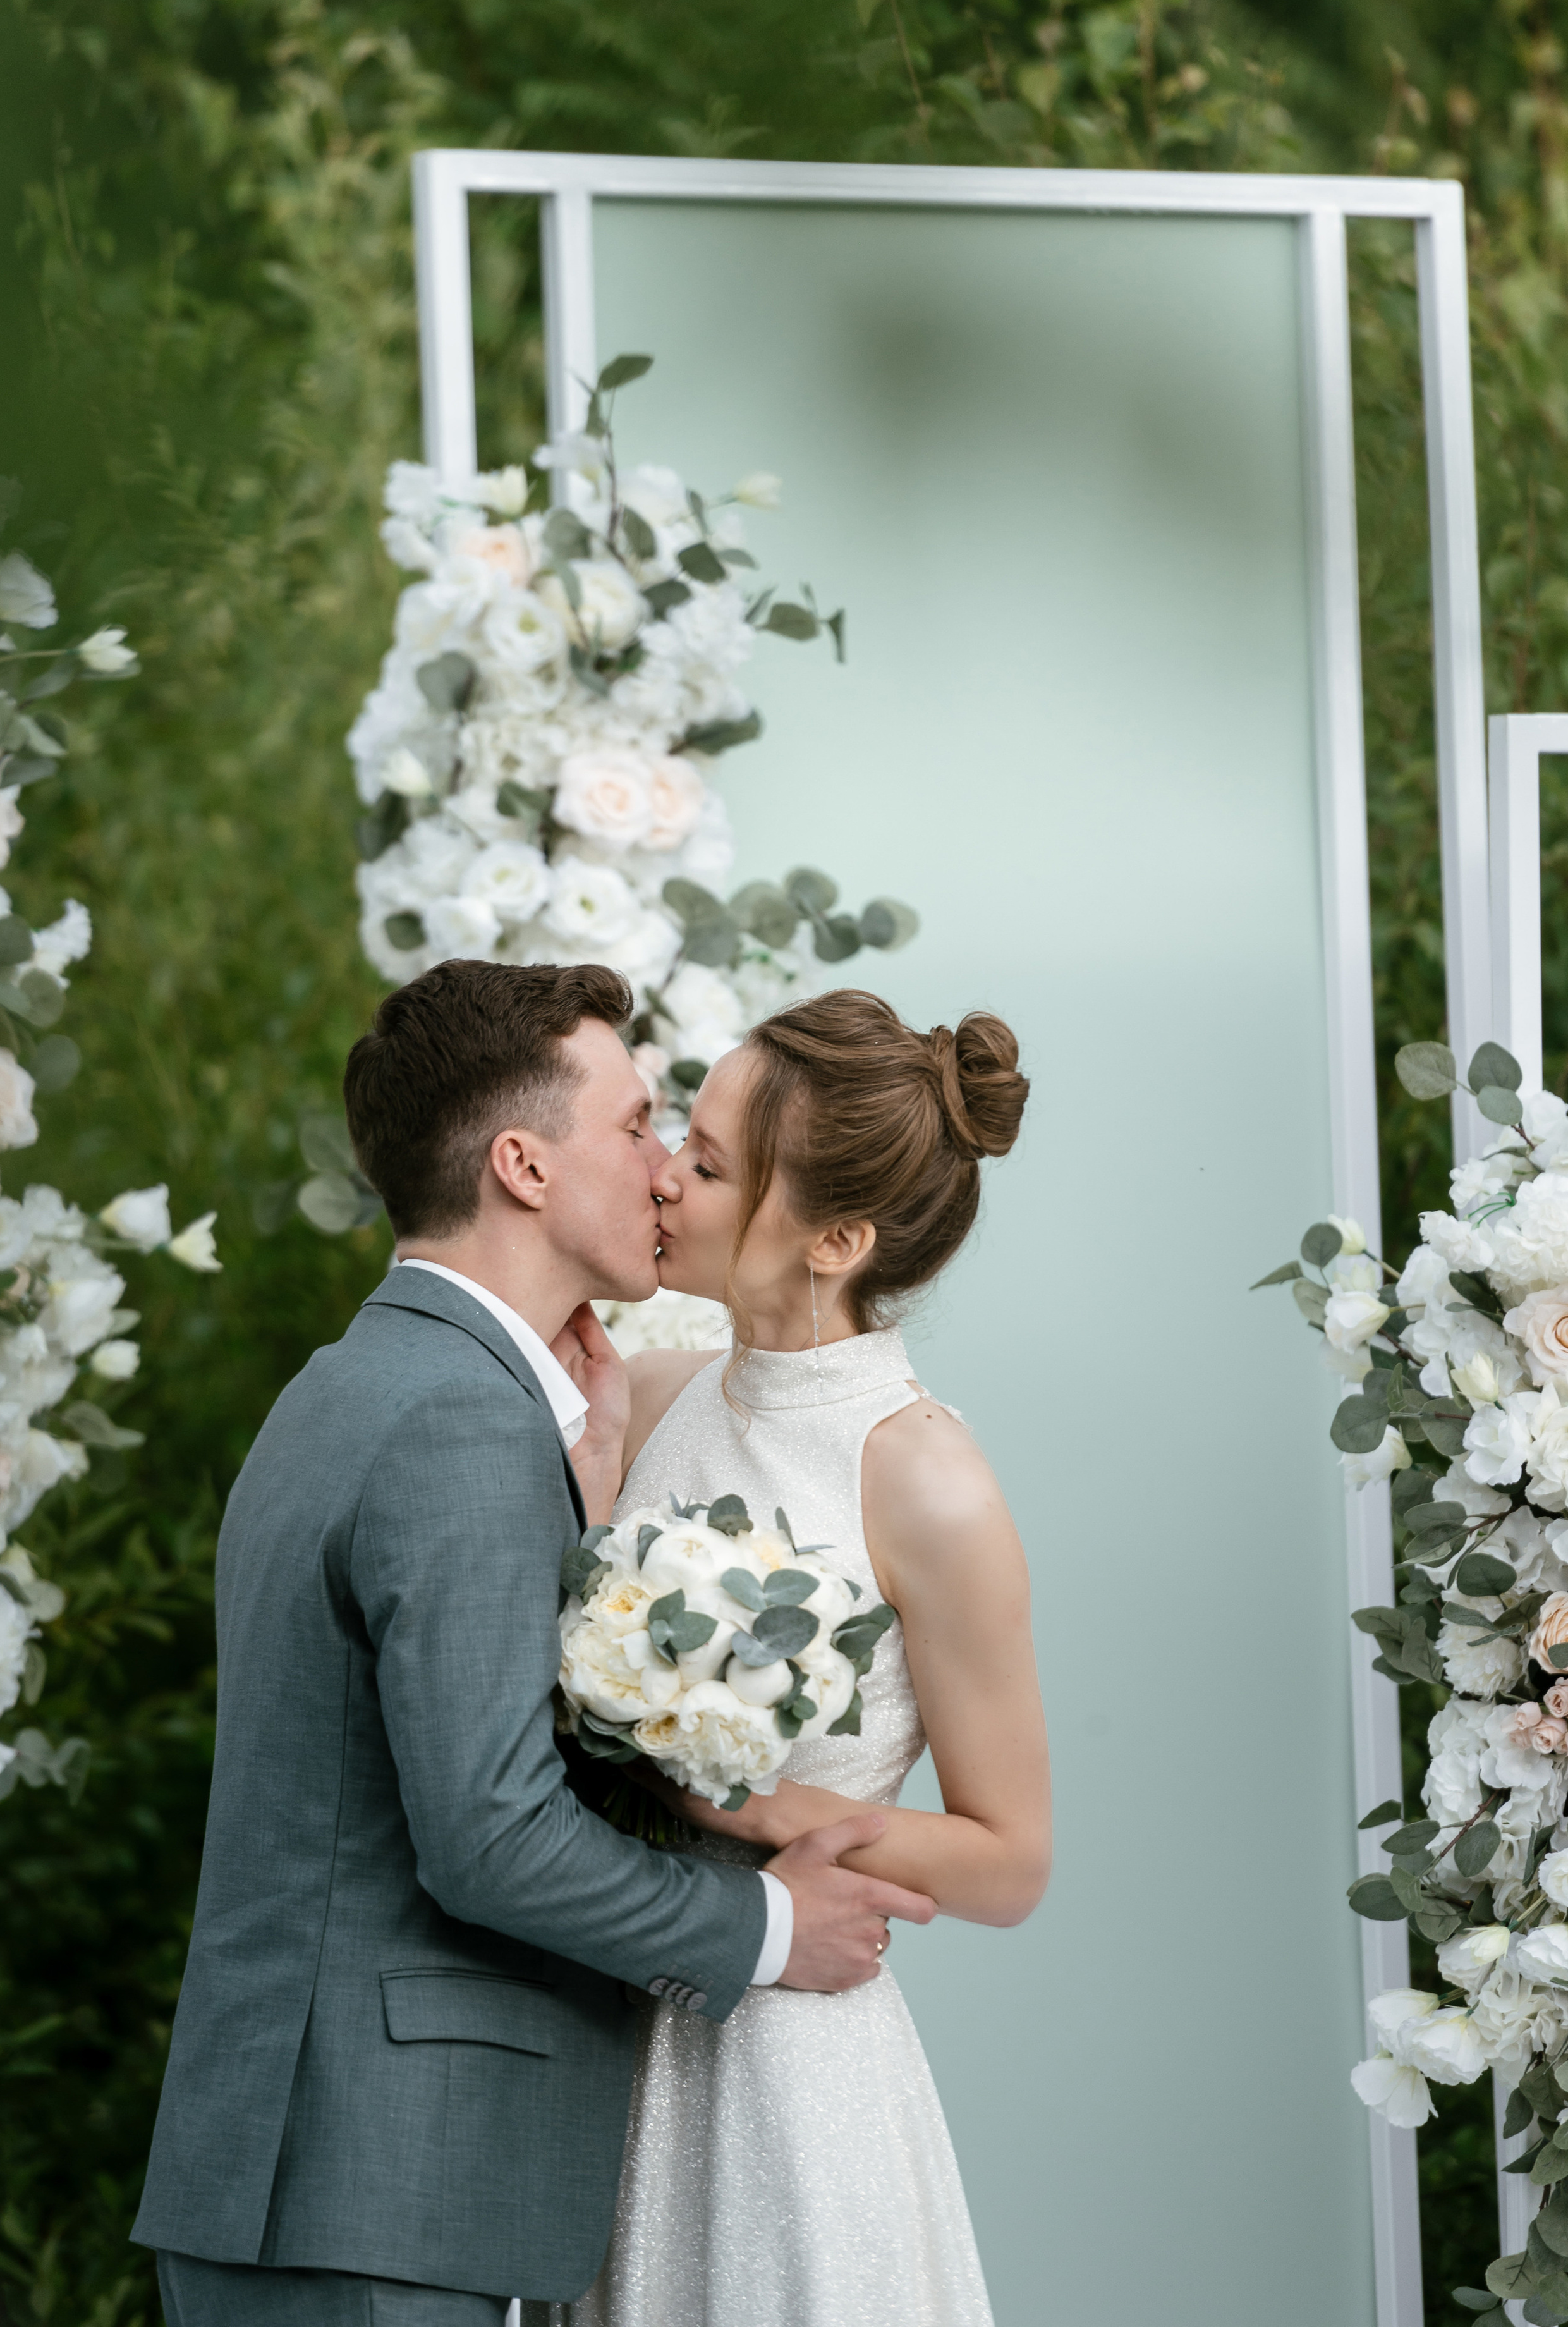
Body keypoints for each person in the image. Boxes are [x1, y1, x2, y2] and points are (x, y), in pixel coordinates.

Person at [131, 960, 933, 2326]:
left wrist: (592, 1483)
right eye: (631, 1124)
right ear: (522, 1164)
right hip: (372, 2184)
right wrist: (771, 1924)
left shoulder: (362, 1383)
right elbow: (488, 1833)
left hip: (319, 2176)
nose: (662, 1162)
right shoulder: (457, 1418)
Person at [526, 989, 1052, 2327]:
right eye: (678, 1142)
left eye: (706, 1166)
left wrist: (772, 1811)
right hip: (608, 2020)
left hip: (794, 2060)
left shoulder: (926, 1476)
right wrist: (589, 1481)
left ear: (837, 1237)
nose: (665, 1177)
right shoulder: (647, 1391)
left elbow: (1009, 1860)